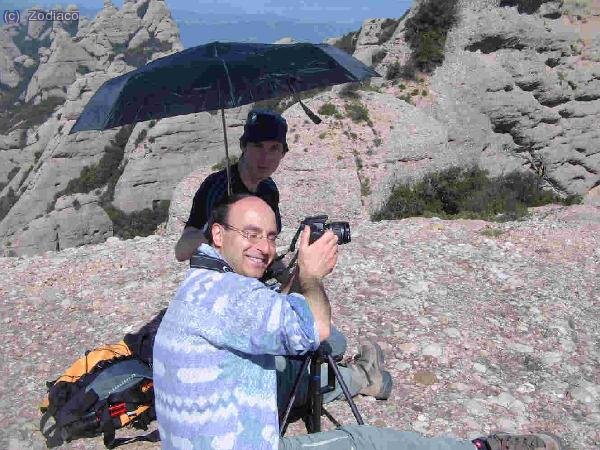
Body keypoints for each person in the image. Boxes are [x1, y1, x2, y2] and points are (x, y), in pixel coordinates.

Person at [153, 194, 565, 450]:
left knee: (307, 359)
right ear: (218, 235)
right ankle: (482, 447)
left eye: (272, 237)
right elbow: (312, 328)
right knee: (364, 439)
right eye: (251, 234)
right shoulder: (229, 295)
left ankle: (360, 376)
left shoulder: (203, 282)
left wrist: (297, 275)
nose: (264, 247)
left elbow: (267, 314)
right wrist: (311, 277)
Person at [174, 108, 393, 406]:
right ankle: (359, 378)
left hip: (262, 287)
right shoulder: (216, 188)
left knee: (334, 342)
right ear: (243, 146)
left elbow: (265, 249)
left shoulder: (268, 189)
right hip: (233, 297)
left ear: (283, 152)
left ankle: (325, 366)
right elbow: (181, 250)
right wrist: (218, 226)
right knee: (313, 340)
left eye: (274, 148)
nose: (265, 158)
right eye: (257, 147)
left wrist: (287, 271)